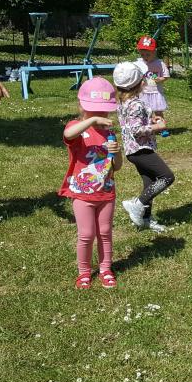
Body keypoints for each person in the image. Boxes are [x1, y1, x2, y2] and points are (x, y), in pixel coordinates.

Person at [59, 77, 123, 290]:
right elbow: (68, 134)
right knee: (86, 235)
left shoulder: (109, 133)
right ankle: (84, 272)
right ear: (82, 107)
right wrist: (92, 120)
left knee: (105, 232)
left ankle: (106, 269)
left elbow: (116, 166)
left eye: (103, 112)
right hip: (82, 194)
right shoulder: (77, 128)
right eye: (94, 111)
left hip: (106, 193)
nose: (100, 115)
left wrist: (117, 153)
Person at [114, 62, 175, 233]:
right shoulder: (136, 104)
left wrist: (150, 120)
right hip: (141, 149)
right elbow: (136, 130)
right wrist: (157, 127)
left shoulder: (124, 102)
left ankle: (145, 218)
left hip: (132, 150)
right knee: (167, 177)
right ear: (141, 83)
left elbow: (132, 123)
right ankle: (137, 204)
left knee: (149, 183)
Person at [133, 36, 170, 123]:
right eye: (142, 54)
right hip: (143, 92)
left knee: (158, 111)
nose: (145, 57)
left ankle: (161, 126)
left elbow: (166, 76)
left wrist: (160, 79)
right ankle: (147, 125)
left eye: (148, 55)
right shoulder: (139, 63)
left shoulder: (159, 64)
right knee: (144, 111)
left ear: (154, 52)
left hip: (156, 92)